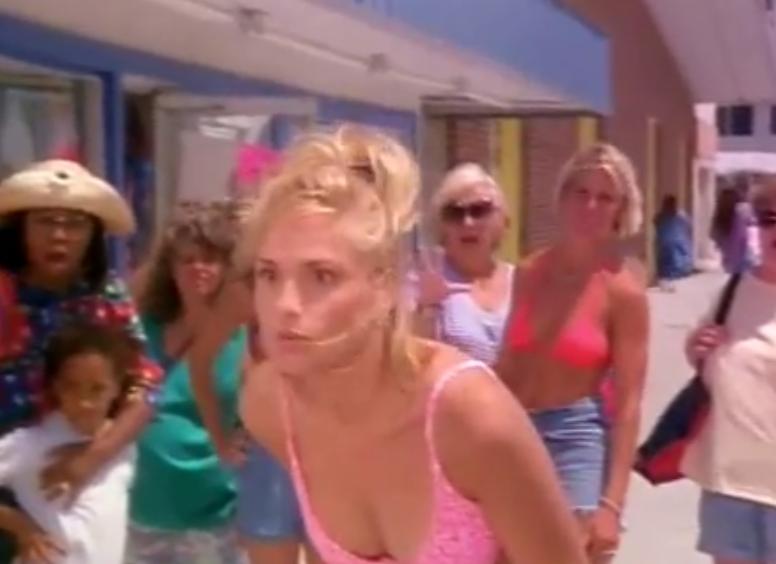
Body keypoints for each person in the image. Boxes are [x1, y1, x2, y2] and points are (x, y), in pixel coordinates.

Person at [204, 124, 588, 564]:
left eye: (322, 276)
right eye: (269, 274)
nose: (284, 305)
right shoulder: (270, 406)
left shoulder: (468, 417)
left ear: (384, 285)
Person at [0, 160, 162, 562]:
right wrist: (15, 523)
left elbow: (146, 391)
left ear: (93, 235)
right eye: (45, 221)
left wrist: (89, 461)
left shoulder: (106, 296)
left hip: (78, 489)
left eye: (74, 224)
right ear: (21, 228)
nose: (60, 235)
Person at [495, 143, 649, 563]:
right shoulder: (529, 271)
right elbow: (506, 364)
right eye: (582, 192)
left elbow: (629, 405)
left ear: (620, 210)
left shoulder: (624, 292)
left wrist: (612, 505)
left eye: (605, 197)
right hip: (515, 431)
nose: (591, 206)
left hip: (575, 437)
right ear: (562, 197)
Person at [184, 201, 306, 564]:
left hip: (326, 448)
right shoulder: (244, 294)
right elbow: (199, 362)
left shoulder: (317, 282)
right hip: (269, 453)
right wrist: (220, 440)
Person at [127, 204, 248, 564]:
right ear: (170, 267)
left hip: (217, 518)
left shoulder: (246, 338)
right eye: (187, 259)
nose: (199, 268)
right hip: (142, 515)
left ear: (228, 267)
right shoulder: (139, 329)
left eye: (210, 259)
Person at [684, 177, 776, 564]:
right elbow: (702, 358)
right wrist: (697, 349)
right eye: (769, 218)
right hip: (730, 484)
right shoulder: (733, 290)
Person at [0, 322, 136, 563]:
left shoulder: (123, 446)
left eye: (97, 389)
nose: (85, 402)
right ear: (55, 387)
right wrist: (23, 528)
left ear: (117, 387)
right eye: (71, 387)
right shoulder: (31, 443)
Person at [413, 163, 514, 366]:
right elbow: (406, 359)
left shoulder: (522, 280)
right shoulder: (423, 279)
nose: (468, 222)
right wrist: (425, 309)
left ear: (502, 219)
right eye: (454, 213)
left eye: (479, 210)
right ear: (441, 225)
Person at [711, 185, 757, 273]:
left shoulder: (719, 218)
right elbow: (744, 237)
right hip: (743, 260)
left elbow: (715, 238)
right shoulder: (739, 216)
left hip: (728, 261)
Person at [654, 194, 693, 291]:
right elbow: (688, 225)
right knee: (671, 263)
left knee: (670, 264)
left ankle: (667, 282)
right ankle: (668, 283)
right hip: (670, 244)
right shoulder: (678, 215)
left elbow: (655, 223)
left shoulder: (663, 216)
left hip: (669, 244)